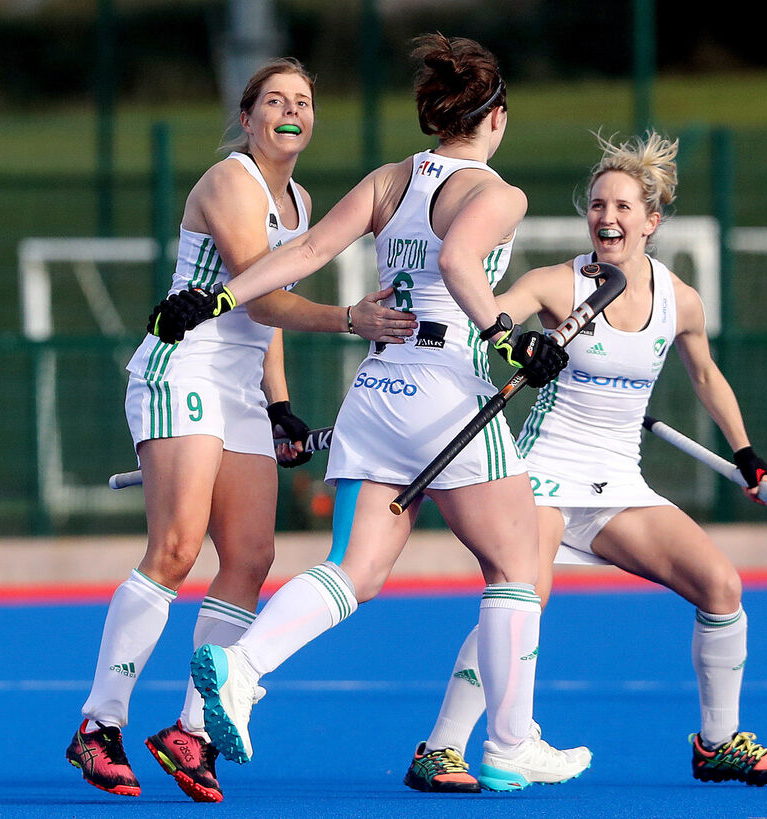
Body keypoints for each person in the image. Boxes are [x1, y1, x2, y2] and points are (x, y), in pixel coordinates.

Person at [173, 33, 591, 794]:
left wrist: (223, 295)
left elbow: (300, 257)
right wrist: (504, 339)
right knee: (517, 565)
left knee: (355, 570)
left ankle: (243, 666)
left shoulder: (391, 179)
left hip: (376, 392)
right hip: (445, 388)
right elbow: (462, 265)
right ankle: (507, 741)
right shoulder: (498, 193)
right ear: (494, 116)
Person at [65, 57, 417, 803]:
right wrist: (350, 318)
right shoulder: (231, 181)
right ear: (248, 115)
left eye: (305, 101)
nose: (292, 112)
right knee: (177, 546)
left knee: (251, 556)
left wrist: (280, 403)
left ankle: (192, 731)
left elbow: (271, 308)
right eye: (277, 101)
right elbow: (259, 299)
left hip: (239, 389)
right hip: (181, 369)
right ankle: (100, 725)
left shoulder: (300, 199)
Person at [405, 131, 767, 790]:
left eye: (621, 206)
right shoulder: (559, 284)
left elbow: (705, 375)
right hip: (544, 475)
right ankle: (440, 748)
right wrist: (518, 343)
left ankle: (718, 742)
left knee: (721, 587)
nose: (607, 217)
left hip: (618, 482)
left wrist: (747, 453)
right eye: (597, 205)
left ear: (652, 221)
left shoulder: (681, 301)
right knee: (520, 599)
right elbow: (492, 322)